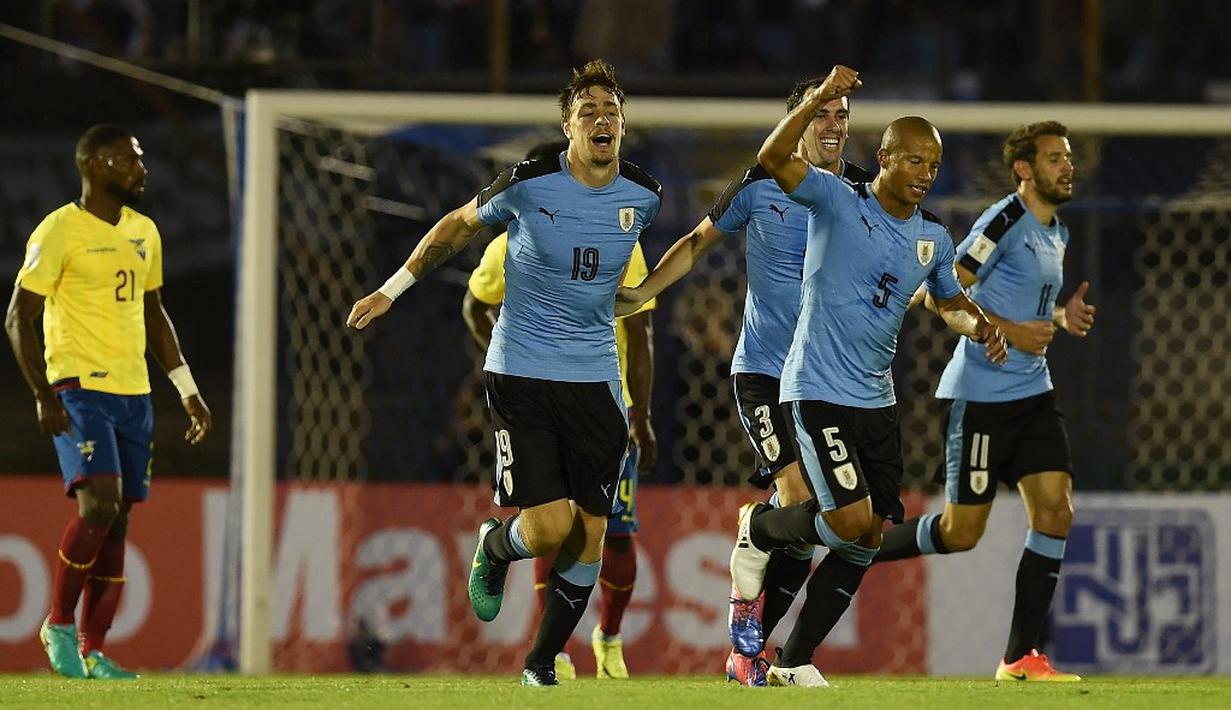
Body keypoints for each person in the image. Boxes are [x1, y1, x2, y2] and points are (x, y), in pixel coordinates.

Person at [347, 59, 662, 687]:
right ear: (568, 125)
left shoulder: (643, 197)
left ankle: (542, 664)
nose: (602, 119)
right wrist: (393, 288)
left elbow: (637, 307)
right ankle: (496, 545)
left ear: (622, 122)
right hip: (521, 371)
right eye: (588, 110)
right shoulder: (528, 182)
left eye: (611, 109)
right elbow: (459, 227)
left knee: (594, 534)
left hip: (598, 381)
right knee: (548, 528)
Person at [726, 66, 1007, 687]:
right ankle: (759, 527)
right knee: (848, 521)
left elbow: (947, 300)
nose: (926, 172)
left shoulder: (932, 236)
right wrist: (821, 101)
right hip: (814, 389)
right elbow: (773, 156)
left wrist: (981, 324)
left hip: (874, 400)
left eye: (933, 162)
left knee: (868, 537)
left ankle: (792, 660)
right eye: (913, 159)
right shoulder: (834, 198)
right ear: (883, 159)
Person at [616, 76, 874, 686]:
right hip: (763, 374)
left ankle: (748, 654)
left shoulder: (864, 193)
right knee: (798, 502)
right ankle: (752, 531)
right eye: (821, 114)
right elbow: (697, 242)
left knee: (809, 531)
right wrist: (644, 292)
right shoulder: (760, 185)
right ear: (798, 124)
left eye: (841, 114)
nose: (834, 124)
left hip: (827, 384)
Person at [873, 121, 1094, 682]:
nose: (1067, 166)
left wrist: (1060, 319)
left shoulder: (1057, 233)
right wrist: (1009, 330)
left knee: (1056, 511)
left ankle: (1020, 657)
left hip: (1033, 393)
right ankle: (858, 547)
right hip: (981, 398)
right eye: (1054, 159)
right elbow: (938, 291)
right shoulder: (1004, 221)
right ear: (1024, 169)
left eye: (1068, 158)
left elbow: (1028, 311)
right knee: (959, 533)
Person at [5, 124, 212, 680]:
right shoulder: (58, 232)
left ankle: (95, 650)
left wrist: (188, 392)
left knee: (118, 520)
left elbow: (154, 314)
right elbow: (16, 318)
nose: (140, 169)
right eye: (128, 161)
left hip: (134, 393)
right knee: (98, 503)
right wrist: (43, 394)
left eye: (140, 160)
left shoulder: (145, 231)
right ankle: (58, 624)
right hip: (78, 386)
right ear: (95, 166)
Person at [462, 141, 658, 681]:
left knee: (605, 532)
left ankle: (571, 651)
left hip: (600, 396)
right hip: (533, 391)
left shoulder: (624, 225)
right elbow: (475, 304)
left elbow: (640, 328)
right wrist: (501, 360)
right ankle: (545, 632)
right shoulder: (508, 241)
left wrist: (639, 412)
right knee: (550, 526)